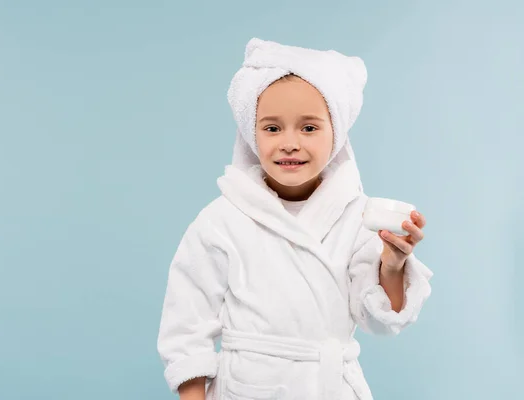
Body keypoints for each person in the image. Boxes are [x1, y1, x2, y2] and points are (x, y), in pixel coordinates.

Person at [156, 37, 433, 400]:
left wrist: (393, 264)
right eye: (272, 128)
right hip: (246, 389)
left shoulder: (356, 217)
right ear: (251, 133)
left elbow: (379, 322)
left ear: (336, 135)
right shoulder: (220, 220)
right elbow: (186, 323)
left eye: (309, 128)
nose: (289, 143)